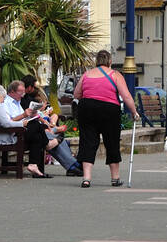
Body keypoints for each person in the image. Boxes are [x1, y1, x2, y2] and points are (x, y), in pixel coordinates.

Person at [72, 50, 139, 188]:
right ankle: (115, 178)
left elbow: (77, 94)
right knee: (111, 141)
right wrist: (134, 112)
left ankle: (86, 178)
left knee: (88, 141)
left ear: (96, 61)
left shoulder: (87, 74)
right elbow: (126, 96)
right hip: (109, 110)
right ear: (110, 62)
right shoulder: (115, 74)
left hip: (87, 108)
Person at [22, 75, 82, 176]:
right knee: (54, 138)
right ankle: (73, 165)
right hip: (30, 130)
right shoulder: (22, 100)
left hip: (37, 127)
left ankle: (72, 165)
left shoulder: (28, 98)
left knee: (57, 138)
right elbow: (25, 117)